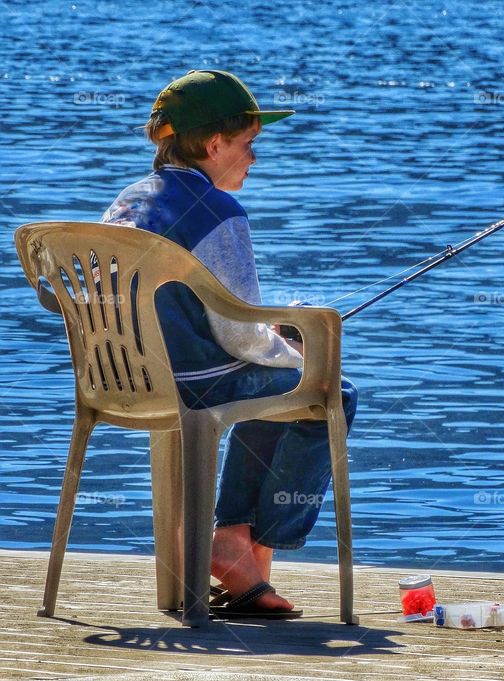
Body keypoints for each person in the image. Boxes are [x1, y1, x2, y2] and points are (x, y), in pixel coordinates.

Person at [101, 69, 358, 619]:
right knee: (330, 391)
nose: (254, 159)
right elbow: (241, 334)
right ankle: (243, 551)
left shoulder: (127, 203)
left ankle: (240, 546)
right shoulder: (220, 214)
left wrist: (273, 346)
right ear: (215, 144)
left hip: (119, 379)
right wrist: (299, 353)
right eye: (248, 145)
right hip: (194, 382)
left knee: (278, 383)